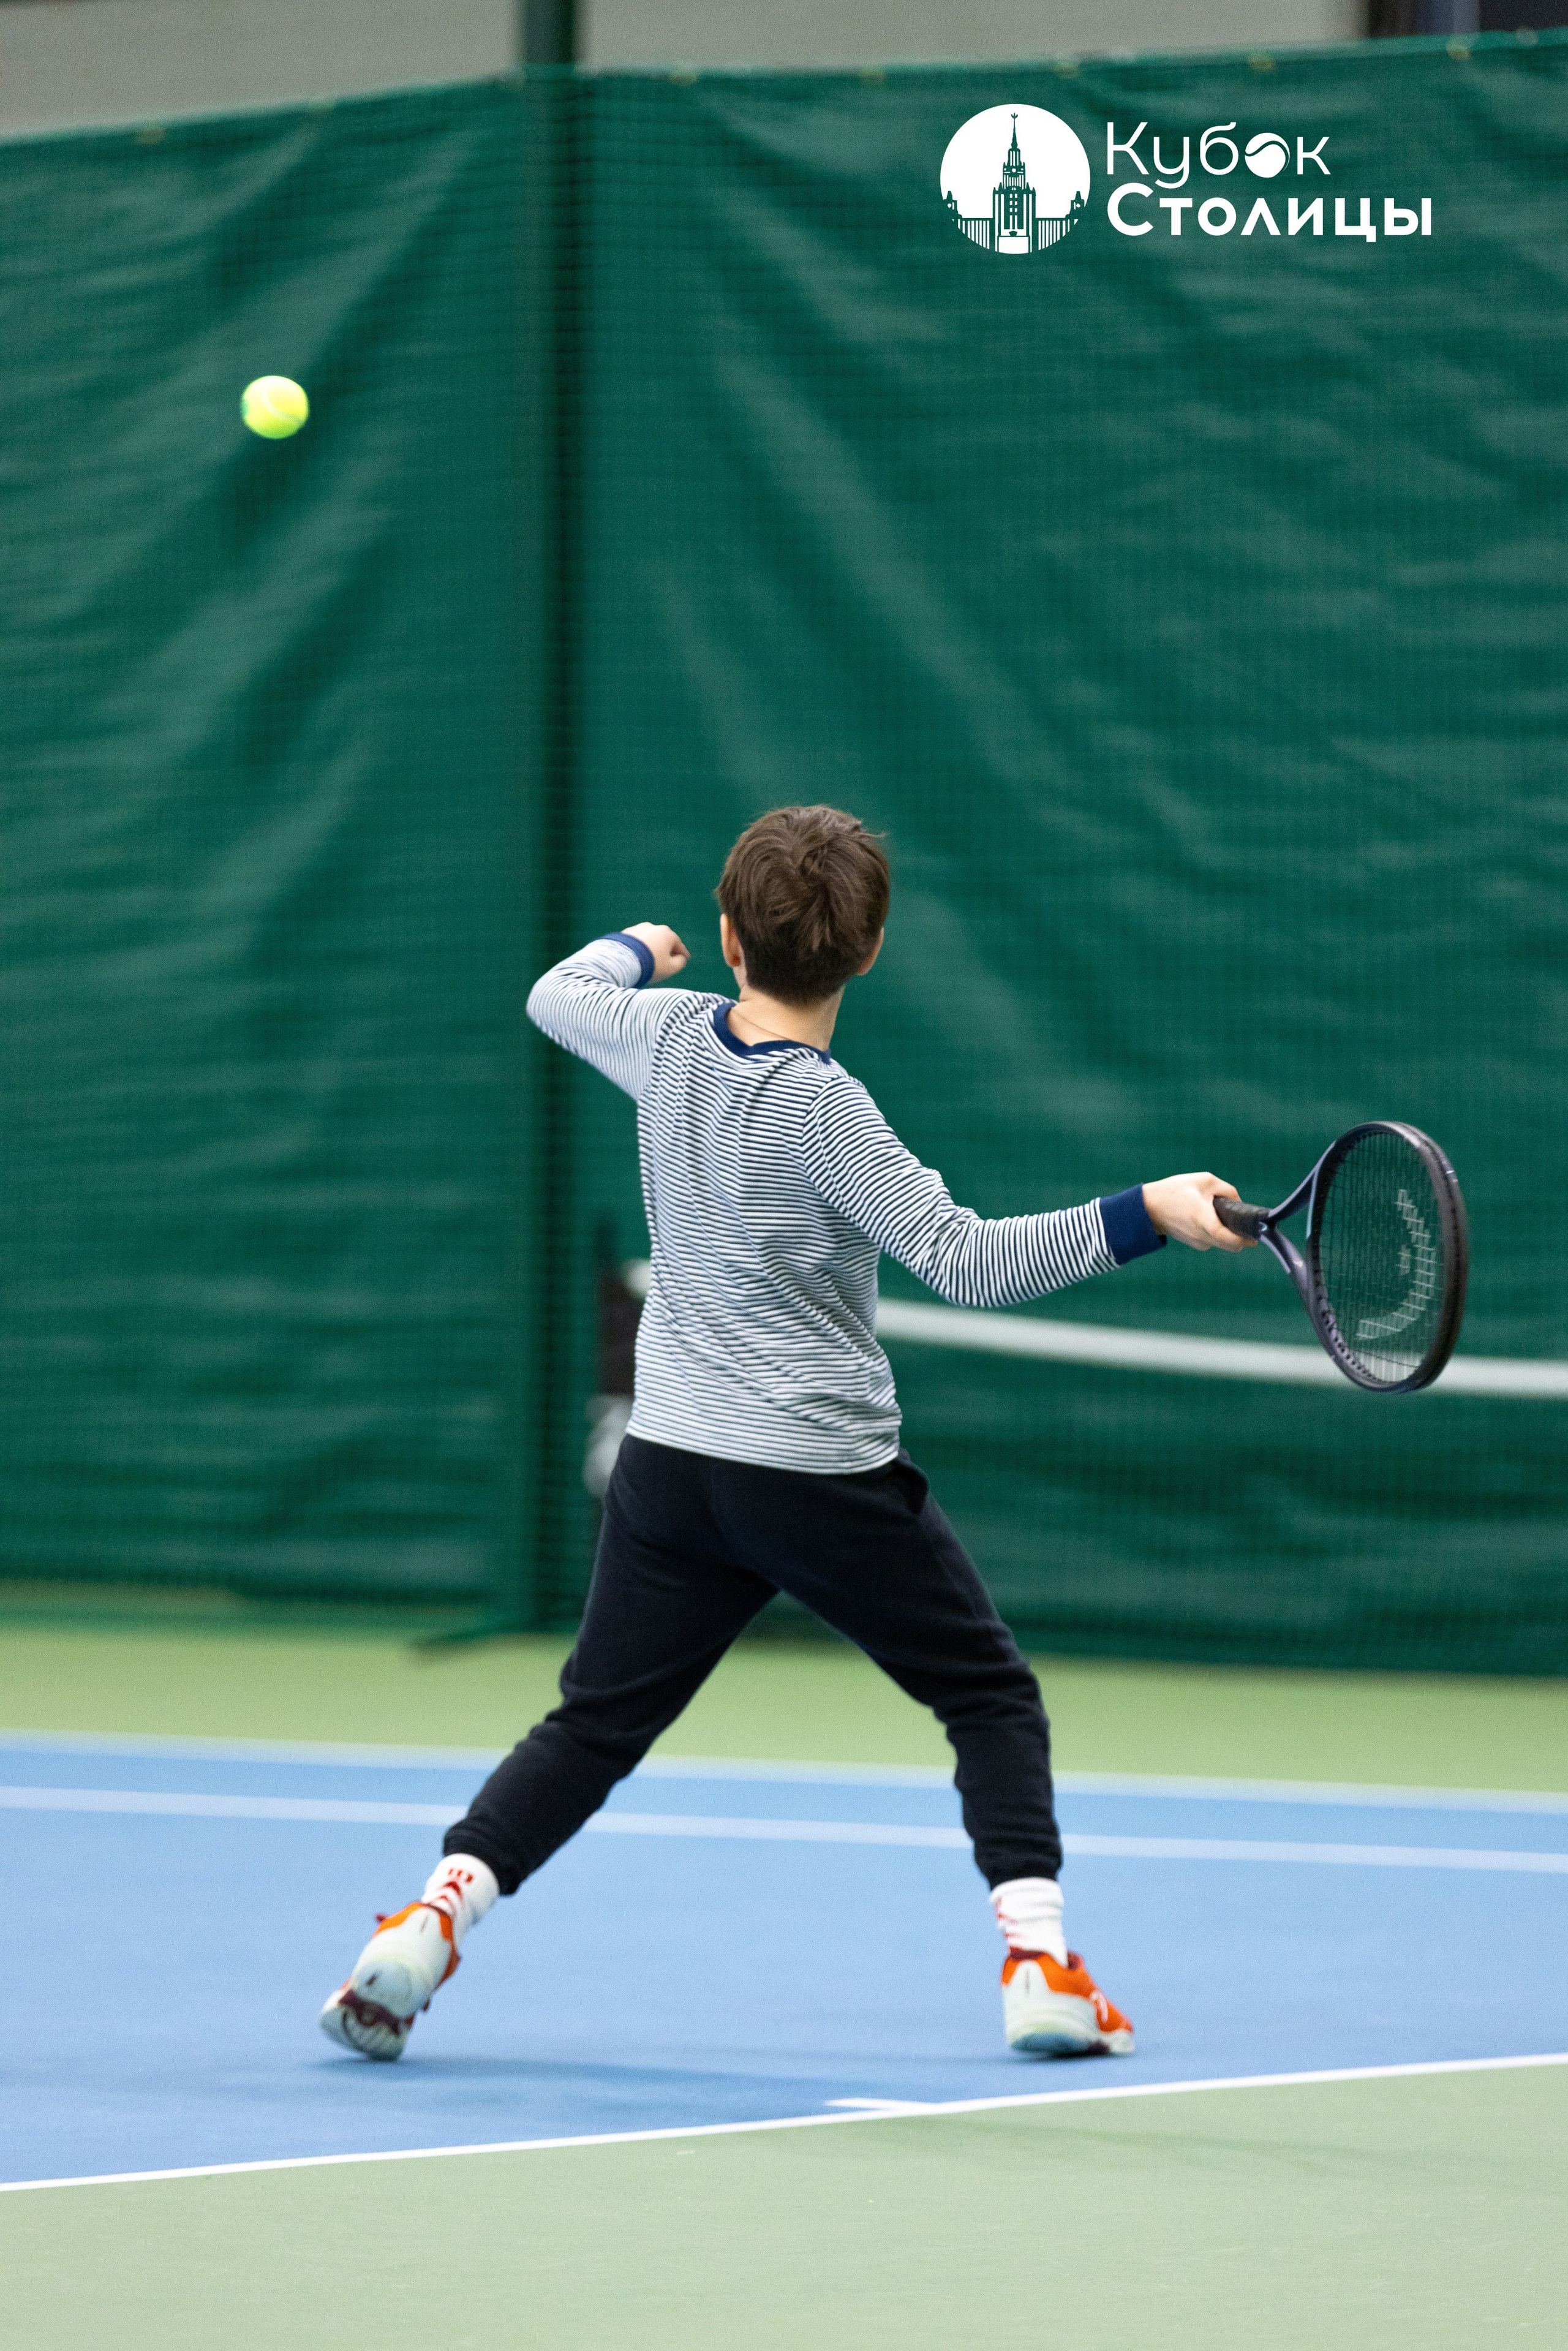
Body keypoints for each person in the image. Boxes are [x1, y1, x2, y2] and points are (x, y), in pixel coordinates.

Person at [320, 805, 1252, 2064]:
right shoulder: (827, 1110)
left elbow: (556, 989)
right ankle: (1040, 1964)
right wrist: (1141, 1209)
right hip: (815, 1476)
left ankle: (429, 1921)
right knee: (986, 1693)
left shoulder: (657, 1036)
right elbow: (965, 1259)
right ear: (866, 955)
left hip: (668, 1470)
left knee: (591, 1725)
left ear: (727, 933)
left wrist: (642, 948)